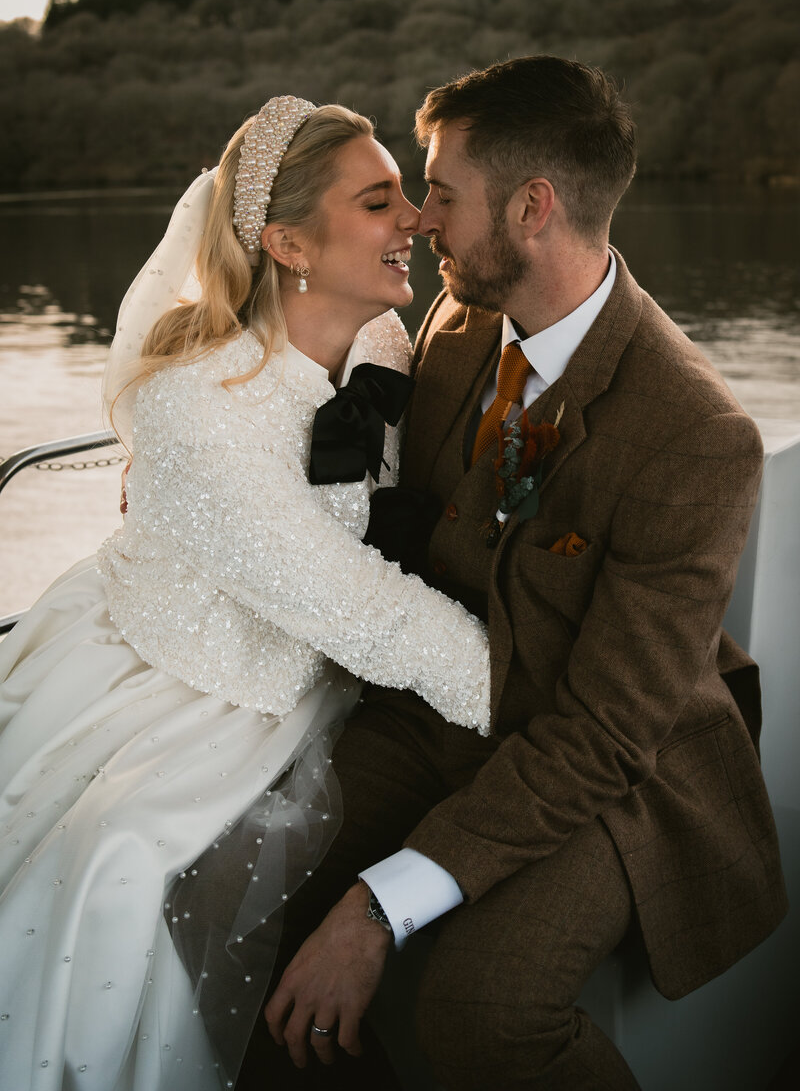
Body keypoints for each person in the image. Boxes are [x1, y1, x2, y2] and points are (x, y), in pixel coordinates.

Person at [236, 58, 787, 1090]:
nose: (416, 217)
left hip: (614, 769)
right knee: (247, 886)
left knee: (476, 1009)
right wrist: (209, 464)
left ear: (532, 207)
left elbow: (606, 734)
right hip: (440, 712)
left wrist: (374, 905)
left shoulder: (694, 436)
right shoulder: (454, 319)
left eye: (440, 192)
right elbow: (336, 426)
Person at [0, 97, 494, 1091]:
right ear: (286, 244)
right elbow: (367, 611)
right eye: (378, 200)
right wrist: (535, 697)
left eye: (409, 192)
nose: (416, 219)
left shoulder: (378, 348)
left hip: (304, 669)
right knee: (127, 857)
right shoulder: (202, 416)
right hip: (177, 684)